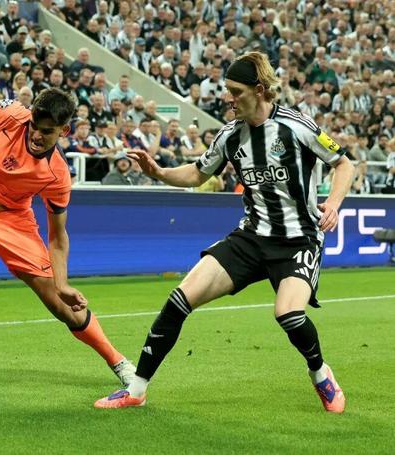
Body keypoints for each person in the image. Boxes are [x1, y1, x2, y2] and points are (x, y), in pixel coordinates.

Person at [94, 52, 354, 413]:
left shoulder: (296, 126)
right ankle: (136, 389)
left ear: (259, 90)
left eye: (235, 91)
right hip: (251, 238)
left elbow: (344, 164)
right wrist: (159, 173)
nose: (227, 98)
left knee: (288, 314)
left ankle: (320, 373)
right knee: (179, 299)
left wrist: (334, 203)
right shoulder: (230, 135)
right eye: (226, 90)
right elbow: (197, 173)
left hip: (298, 240)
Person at [0, 88, 137, 385]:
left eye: (47, 132)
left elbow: (58, 236)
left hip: (15, 224)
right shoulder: (12, 114)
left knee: (63, 306)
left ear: (64, 131)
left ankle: (119, 362)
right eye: (34, 127)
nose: (36, 135)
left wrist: (62, 284)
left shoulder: (57, 173)